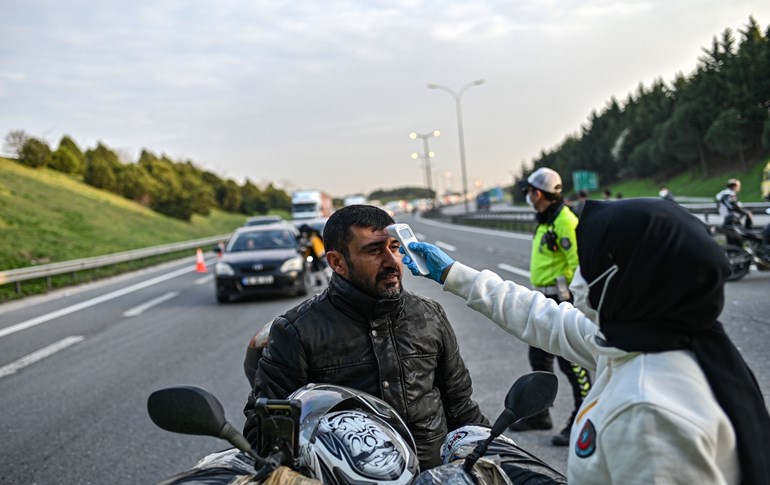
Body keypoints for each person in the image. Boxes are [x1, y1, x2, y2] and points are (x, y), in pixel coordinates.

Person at [401, 198, 770, 484]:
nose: (578, 276)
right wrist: (452, 273)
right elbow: (542, 318)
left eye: (589, 263)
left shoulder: (647, 412)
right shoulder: (659, 339)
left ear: (625, 277)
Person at [243, 205, 488, 471]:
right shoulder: (296, 331)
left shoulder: (430, 315)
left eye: (394, 248)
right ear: (337, 263)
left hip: (433, 476)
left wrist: (496, 453)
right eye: (374, 250)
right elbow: (267, 438)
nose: (392, 261)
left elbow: (462, 409)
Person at [514, 168, 591, 447]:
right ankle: (539, 414)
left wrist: (571, 303)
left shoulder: (564, 221)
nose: (527, 196)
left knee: (572, 365)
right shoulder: (547, 218)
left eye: (528, 191)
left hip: (562, 301)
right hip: (544, 299)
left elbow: (577, 264)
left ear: (537, 193)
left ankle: (583, 420)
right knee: (540, 358)